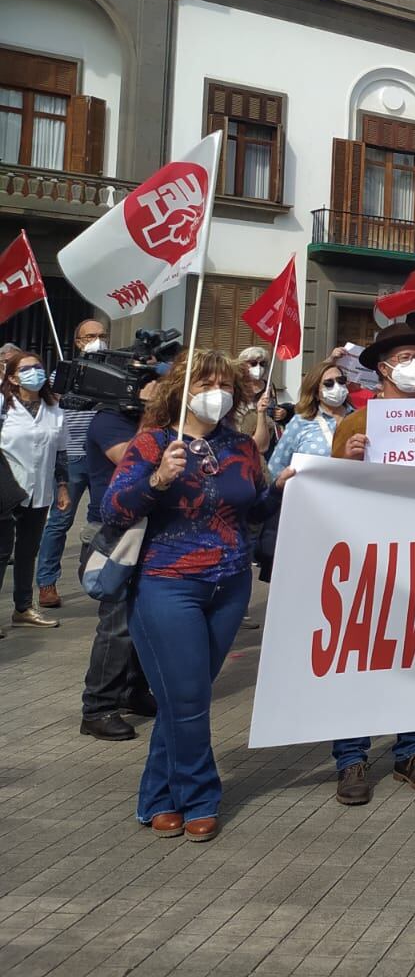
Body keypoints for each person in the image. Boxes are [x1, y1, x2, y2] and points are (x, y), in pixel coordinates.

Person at [102, 350, 292, 841]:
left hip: (230, 585)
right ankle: (201, 795)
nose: (218, 391)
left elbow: (249, 513)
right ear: (180, 390)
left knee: (180, 697)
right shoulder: (154, 442)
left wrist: (280, 492)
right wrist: (158, 478)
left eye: (225, 383)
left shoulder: (242, 447)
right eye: (206, 382)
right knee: (187, 701)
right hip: (167, 583)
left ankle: (158, 797)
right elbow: (113, 510)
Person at [327, 324, 415, 804]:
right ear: (382, 369)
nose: (414, 365)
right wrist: (347, 461)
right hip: (368, 558)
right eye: (404, 357)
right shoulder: (355, 424)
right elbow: (329, 492)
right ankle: (351, 759)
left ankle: (412, 752)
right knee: (359, 657)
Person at [78, 375, 159, 741]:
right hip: (115, 533)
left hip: (151, 531)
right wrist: (152, 414)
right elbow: (132, 460)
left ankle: (132, 690)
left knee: (145, 619)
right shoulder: (108, 419)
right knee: (116, 624)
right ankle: (98, 707)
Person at [35, 317, 108, 609]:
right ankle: (47, 583)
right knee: (60, 521)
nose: (97, 340)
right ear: (78, 342)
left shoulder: (116, 375)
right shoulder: (62, 375)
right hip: (74, 457)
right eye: (90, 336)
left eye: (102, 335)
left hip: (105, 458)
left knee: (103, 520)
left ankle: (93, 571)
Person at [2, 351, 69, 629]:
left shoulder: (54, 410)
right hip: (6, 490)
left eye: (39, 367)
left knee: (28, 551)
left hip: (40, 490)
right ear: (13, 377)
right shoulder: (4, 407)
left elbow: (61, 452)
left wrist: (63, 486)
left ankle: (23, 608)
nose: (35, 373)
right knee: (2, 551)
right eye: (27, 369)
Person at [267, 358, 354, 482]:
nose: (337, 387)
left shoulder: (360, 418)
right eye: (329, 383)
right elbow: (276, 467)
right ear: (316, 392)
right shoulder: (300, 422)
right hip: (310, 497)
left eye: (341, 381)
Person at [233, 345, 277, 455]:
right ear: (242, 365)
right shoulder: (236, 386)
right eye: (253, 363)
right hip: (240, 436)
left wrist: (281, 413)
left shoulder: (269, 387)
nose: (258, 367)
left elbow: (272, 411)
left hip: (265, 439)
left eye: (262, 364)